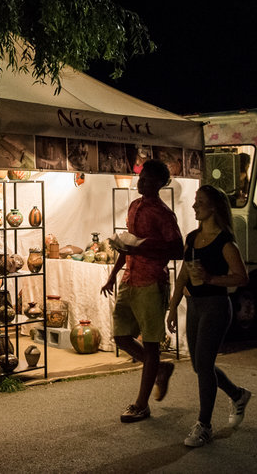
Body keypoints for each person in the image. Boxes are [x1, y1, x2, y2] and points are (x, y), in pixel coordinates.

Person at [167, 185, 251, 447]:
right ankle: (238, 395)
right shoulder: (192, 238)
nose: (194, 206)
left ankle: (204, 425)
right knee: (198, 365)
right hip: (194, 307)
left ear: (213, 207)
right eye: (195, 202)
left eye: (199, 202)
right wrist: (173, 306)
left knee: (203, 365)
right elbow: (183, 274)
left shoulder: (225, 241)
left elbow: (241, 277)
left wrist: (211, 278)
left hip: (215, 306)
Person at [101, 158, 183, 423]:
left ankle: (141, 404)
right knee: (121, 336)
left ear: (159, 183)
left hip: (151, 281)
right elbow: (130, 244)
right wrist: (113, 275)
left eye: (146, 178)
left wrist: (143, 249)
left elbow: (178, 248)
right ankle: (160, 368)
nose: (141, 181)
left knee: (150, 343)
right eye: (140, 177)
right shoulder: (135, 206)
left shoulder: (163, 213)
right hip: (129, 278)